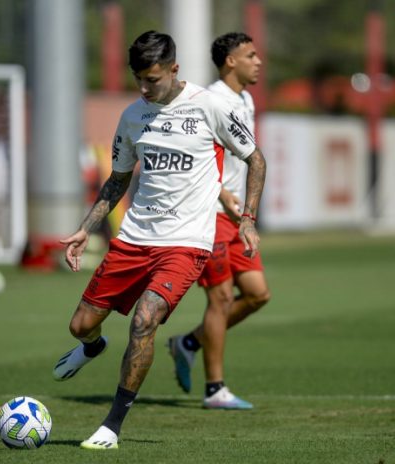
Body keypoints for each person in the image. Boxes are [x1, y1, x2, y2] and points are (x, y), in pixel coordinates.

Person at [51, 30, 266, 450]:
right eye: (139, 80)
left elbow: (254, 158)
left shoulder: (210, 106)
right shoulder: (133, 115)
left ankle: (111, 426)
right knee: (80, 326)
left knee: (145, 320)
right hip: (134, 239)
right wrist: (85, 228)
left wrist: (249, 219)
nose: (145, 88)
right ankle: (93, 348)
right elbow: (117, 180)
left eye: (153, 79)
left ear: (174, 70)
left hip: (186, 243)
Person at [166, 32, 270, 410]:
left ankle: (188, 342)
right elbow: (191, 154)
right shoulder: (209, 101)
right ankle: (215, 390)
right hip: (209, 214)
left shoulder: (245, 99)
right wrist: (221, 192)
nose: (258, 61)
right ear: (231, 61)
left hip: (235, 217)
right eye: (251, 55)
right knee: (222, 297)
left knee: (258, 294)